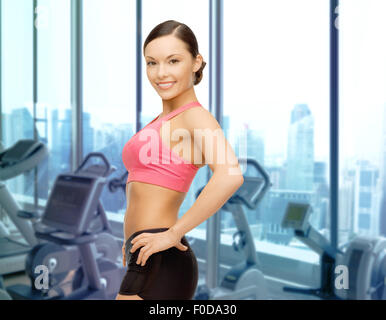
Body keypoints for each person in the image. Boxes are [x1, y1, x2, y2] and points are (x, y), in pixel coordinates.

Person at [115, 20, 244, 300]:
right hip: (145, 251)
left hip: (162, 255)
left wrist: (174, 233)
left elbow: (231, 174)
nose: (161, 73)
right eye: (152, 63)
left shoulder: (194, 116)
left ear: (196, 63)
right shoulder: (161, 121)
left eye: (173, 61)